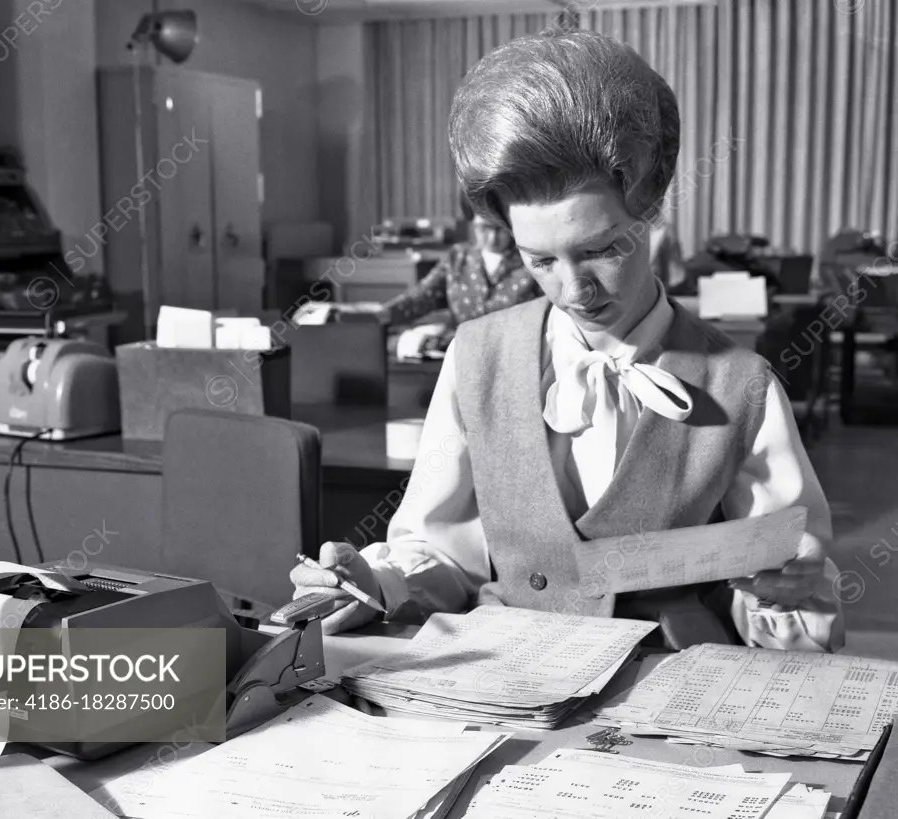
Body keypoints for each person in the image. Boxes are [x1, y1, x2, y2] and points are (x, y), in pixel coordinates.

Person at [290, 30, 842, 652]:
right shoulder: (475, 356)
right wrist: (374, 579)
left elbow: (784, 599)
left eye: (602, 249)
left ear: (652, 211)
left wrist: (786, 590)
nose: (574, 289)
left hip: (668, 690)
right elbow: (442, 554)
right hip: (505, 672)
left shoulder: (742, 384)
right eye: (540, 259)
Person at [374, 196, 541, 331]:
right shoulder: (457, 257)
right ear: (472, 224)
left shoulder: (530, 261)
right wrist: (384, 313)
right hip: (462, 355)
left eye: (499, 229)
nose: (492, 238)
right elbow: (421, 296)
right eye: (483, 228)